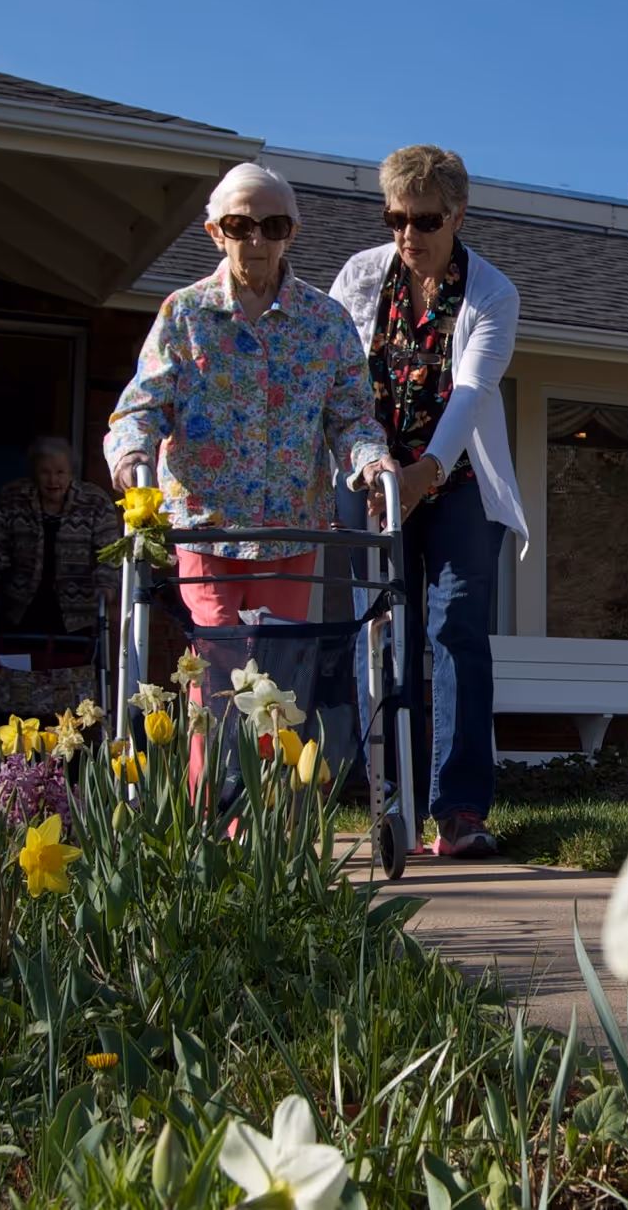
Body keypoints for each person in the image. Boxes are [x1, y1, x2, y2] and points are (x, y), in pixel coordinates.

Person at [104, 162, 388, 781]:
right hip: (205, 531)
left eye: (273, 225)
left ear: (293, 232)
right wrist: (131, 458)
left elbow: (352, 420)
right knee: (216, 686)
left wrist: (372, 463)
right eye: (240, 225)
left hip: (294, 534)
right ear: (215, 232)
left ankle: (271, 838)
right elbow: (140, 407)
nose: (256, 240)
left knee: (281, 692)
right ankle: (213, 826)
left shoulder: (326, 322)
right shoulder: (185, 314)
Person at [332, 145, 529, 859]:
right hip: (371, 477)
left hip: (460, 481)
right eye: (395, 218)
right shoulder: (359, 277)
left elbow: (471, 392)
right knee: (381, 630)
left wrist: (426, 473)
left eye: (424, 219)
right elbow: (337, 378)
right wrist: (378, 469)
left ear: (457, 215)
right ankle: (393, 803)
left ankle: (461, 808)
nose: (408, 234)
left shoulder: (492, 294)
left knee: (455, 630)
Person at [0, 437, 118, 718]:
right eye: (45, 472)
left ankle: (68, 754)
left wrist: (106, 584)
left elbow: (108, 552)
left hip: (75, 615)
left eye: (60, 472)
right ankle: (19, 751)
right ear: (33, 473)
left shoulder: (94, 502)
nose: (53, 479)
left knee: (69, 695)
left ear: (72, 473)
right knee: (19, 687)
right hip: (23, 610)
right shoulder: (13, 499)